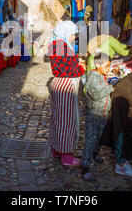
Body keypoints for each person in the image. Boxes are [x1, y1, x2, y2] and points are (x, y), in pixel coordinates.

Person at [47, 21, 86, 167]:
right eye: (72, 34)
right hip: (65, 85)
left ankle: (57, 148)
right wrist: (81, 68)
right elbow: (67, 70)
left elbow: (66, 64)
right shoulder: (60, 46)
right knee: (66, 121)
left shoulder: (58, 44)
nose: (73, 38)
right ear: (65, 32)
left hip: (60, 84)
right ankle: (66, 156)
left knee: (58, 118)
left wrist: (76, 62)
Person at [81, 53, 114, 181]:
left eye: (109, 66)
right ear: (97, 65)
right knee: (90, 138)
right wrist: (111, 88)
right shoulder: (94, 77)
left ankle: (95, 152)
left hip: (103, 112)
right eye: (106, 66)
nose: (108, 69)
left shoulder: (101, 75)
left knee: (99, 136)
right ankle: (85, 166)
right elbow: (95, 94)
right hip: (94, 113)